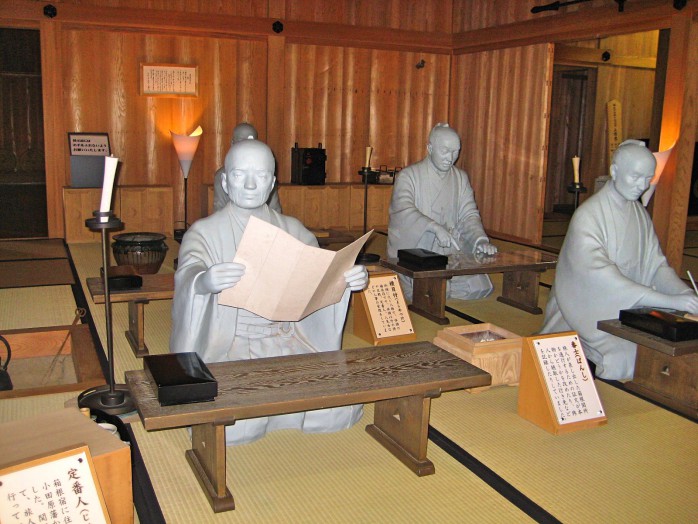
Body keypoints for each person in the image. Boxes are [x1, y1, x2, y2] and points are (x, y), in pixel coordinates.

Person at [171, 139, 367, 445]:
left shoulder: (294, 229)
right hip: (231, 342)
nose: (250, 184)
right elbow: (188, 275)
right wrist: (204, 282)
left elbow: (318, 284)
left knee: (339, 409)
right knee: (236, 423)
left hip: (289, 337)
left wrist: (345, 281)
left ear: (273, 183)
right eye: (239, 175)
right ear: (224, 181)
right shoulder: (204, 232)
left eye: (261, 176)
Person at [541, 139, 698, 380]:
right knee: (627, 358)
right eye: (635, 176)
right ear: (614, 171)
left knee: (670, 346)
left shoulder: (639, 215)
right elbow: (600, 279)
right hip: (587, 311)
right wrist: (668, 300)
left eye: (648, 178)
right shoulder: (589, 216)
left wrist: (684, 295)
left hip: (631, 307)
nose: (642, 185)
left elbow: (656, 267)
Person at [387, 123, 497, 301]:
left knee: (481, 286)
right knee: (435, 292)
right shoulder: (409, 176)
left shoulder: (460, 178)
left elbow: (469, 214)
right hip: (418, 249)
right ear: (429, 148)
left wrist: (480, 240)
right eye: (445, 151)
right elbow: (403, 210)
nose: (450, 157)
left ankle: (442, 283)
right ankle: (421, 283)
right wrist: (434, 227)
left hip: (451, 250)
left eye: (456, 151)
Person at [212, 122, 282, 213]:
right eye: (238, 175)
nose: (250, 185)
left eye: (252, 141)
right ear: (232, 143)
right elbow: (219, 210)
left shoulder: (266, 173)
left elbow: (274, 210)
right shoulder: (222, 175)